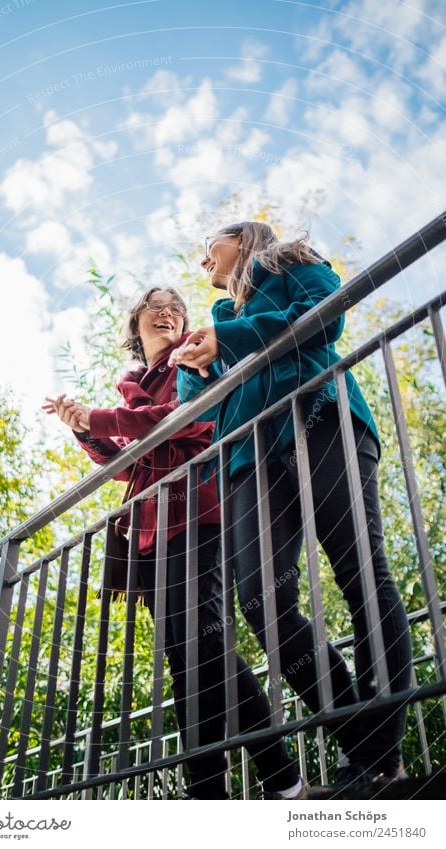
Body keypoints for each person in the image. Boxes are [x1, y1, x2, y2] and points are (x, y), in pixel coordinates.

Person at [170, 222, 412, 792]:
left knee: (361, 575)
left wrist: (232, 340)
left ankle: (379, 756)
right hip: (249, 460)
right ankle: (364, 742)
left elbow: (327, 314)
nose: (204, 258)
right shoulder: (220, 318)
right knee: (260, 599)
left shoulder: (285, 262)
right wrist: (194, 367)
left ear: (243, 238)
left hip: (321, 420)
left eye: (213, 244)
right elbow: (200, 410)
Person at [43, 286, 305, 800]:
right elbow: (125, 460)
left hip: (200, 511)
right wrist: (83, 429)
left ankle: (283, 777)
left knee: (207, 644)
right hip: (147, 530)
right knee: (184, 662)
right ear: (135, 324)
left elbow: (183, 423)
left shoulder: (195, 355)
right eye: (154, 306)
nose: (167, 312)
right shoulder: (135, 383)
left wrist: (100, 417)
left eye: (175, 306)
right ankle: (206, 794)